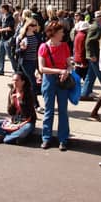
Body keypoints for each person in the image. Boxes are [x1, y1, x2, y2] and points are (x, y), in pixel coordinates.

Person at [38, 21, 72, 151]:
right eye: (61, 31)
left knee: (63, 110)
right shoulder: (43, 47)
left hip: (62, 80)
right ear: (54, 33)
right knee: (49, 110)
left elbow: (69, 64)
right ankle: (46, 138)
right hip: (49, 80)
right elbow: (42, 68)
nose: (63, 33)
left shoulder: (64, 46)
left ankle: (63, 139)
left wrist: (67, 72)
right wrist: (60, 71)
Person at [0, 72, 37, 145]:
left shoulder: (28, 93)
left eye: (17, 80)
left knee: (26, 128)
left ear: (23, 82)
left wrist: (21, 101)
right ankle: (14, 138)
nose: (14, 82)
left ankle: (4, 138)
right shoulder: (12, 92)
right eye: (13, 80)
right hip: (15, 121)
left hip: (26, 121)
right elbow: (10, 113)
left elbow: (28, 114)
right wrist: (12, 103)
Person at [15, 18, 42, 110]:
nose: (36, 27)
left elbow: (40, 50)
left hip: (34, 61)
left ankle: (24, 101)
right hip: (25, 62)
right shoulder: (22, 37)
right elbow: (16, 52)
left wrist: (39, 67)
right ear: (29, 26)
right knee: (32, 83)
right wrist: (22, 49)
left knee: (26, 83)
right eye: (34, 25)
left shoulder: (37, 36)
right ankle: (36, 104)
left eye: (36, 25)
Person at [81, 10, 101, 101]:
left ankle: (85, 93)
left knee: (91, 75)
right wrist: (91, 55)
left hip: (96, 54)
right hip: (94, 56)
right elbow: (88, 42)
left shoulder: (100, 27)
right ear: (100, 19)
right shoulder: (95, 27)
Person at [0, 3, 15, 76]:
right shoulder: (2, 16)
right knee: (1, 55)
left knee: (10, 55)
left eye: (1, 8)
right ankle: (1, 70)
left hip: (7, 38)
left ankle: (15, 69)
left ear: (4, 9)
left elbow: (10, 28)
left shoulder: (10, 17)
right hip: (1, 38)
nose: (0, 10)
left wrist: (1, 30)